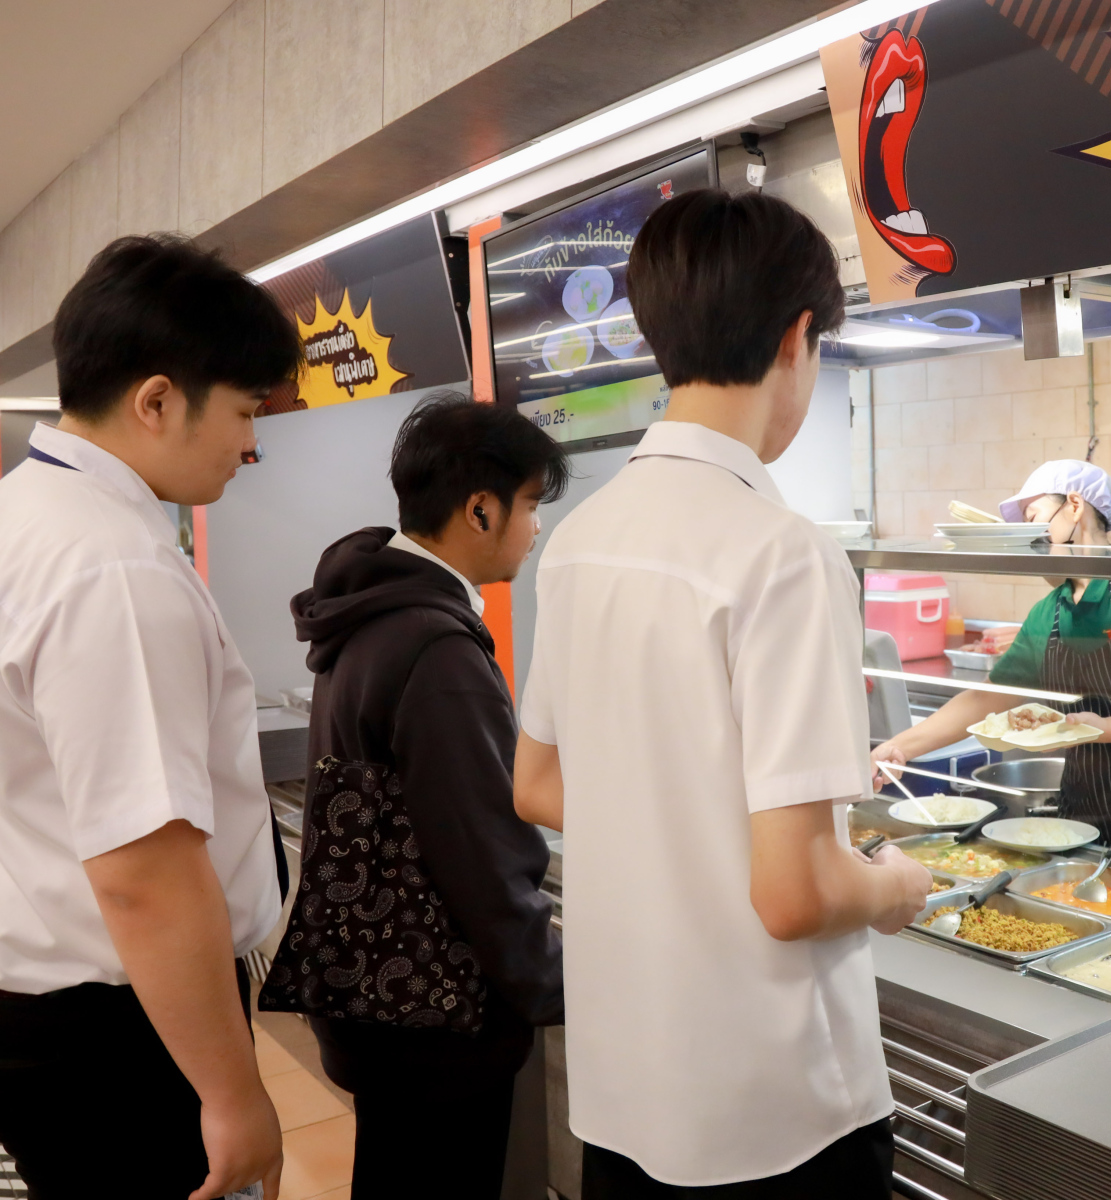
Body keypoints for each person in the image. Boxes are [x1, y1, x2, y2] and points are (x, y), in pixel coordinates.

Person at [511, 189, 932, 1197]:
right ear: (797, 339)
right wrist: (895, 887)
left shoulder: (579, 540)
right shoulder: (781, 553)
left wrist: (683, 829)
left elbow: (538, 785)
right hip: (775, 1117)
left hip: (625, 1093)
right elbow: (797, 895)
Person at [0, 235, 298, 1199]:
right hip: (115, 1033)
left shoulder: (23, 514)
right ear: (158, 401)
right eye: (245, 411)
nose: (251, 445)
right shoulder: (113, 569)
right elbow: (144, 876)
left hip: (50, 1006)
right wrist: (232, 1093)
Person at [279, 394, 568, 1198]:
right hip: (441, 1022)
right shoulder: (437, 648)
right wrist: (556, 982)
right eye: (530, 505)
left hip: (382, 997)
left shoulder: (368, 614)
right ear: (480, 510)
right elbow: (482, 853)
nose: (536, 527)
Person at [873, 461, 1111, 870]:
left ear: (1074, 506)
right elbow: (987, 699)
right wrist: (897, 748)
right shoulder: (1050, 611)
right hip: (1082, 819)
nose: (1029, 536)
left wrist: (1102, 729)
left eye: (1033, 519)